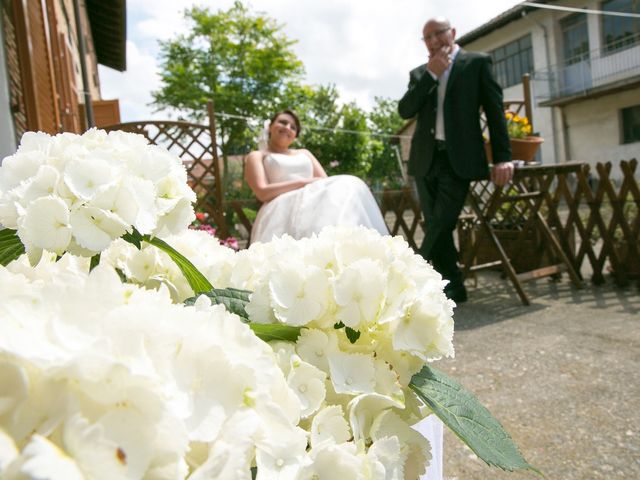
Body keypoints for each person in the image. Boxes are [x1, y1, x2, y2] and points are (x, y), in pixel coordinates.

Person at [398, 17, 514, 304]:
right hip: (425, 159)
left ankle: (408, 279)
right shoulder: (419, 73)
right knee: (438, 223)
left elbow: (495, 110)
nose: (434, 40)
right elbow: (405, 110)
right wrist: (431, 75)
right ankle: (453, 287)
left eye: (439, 33)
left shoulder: (476, 63)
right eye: (427, 37)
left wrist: (503, 158)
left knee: (441, 221)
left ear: (453, 33)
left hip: (459, 158)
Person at [245, 109, 389, 243]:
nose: (288, 127)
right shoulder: (257, 156)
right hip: (280, 209)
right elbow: (262, 192)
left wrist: (310, 185)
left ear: (295, 135)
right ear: (270, 127)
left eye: (293, 127)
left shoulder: (304, 153)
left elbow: (326, 183)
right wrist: (304, 182)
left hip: (311, 203)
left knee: (350, 183)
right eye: (283, 122)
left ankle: (355, 243)